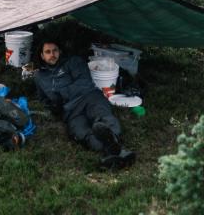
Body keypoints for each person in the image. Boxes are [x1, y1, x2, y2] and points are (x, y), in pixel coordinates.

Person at [34, 39, 135, 168]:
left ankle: (111, 151)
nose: (52, 54)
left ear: (60, 51)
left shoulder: (73, 62)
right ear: (42, 56)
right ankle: (117, 152)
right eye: (48, 52)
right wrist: (53, 108)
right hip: (70, 112)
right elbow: (43, 99)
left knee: (102, 116)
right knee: (82, 133)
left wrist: (61, 95)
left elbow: (84, 82)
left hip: (89, 97)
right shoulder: (39, 77)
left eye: (55, 51)